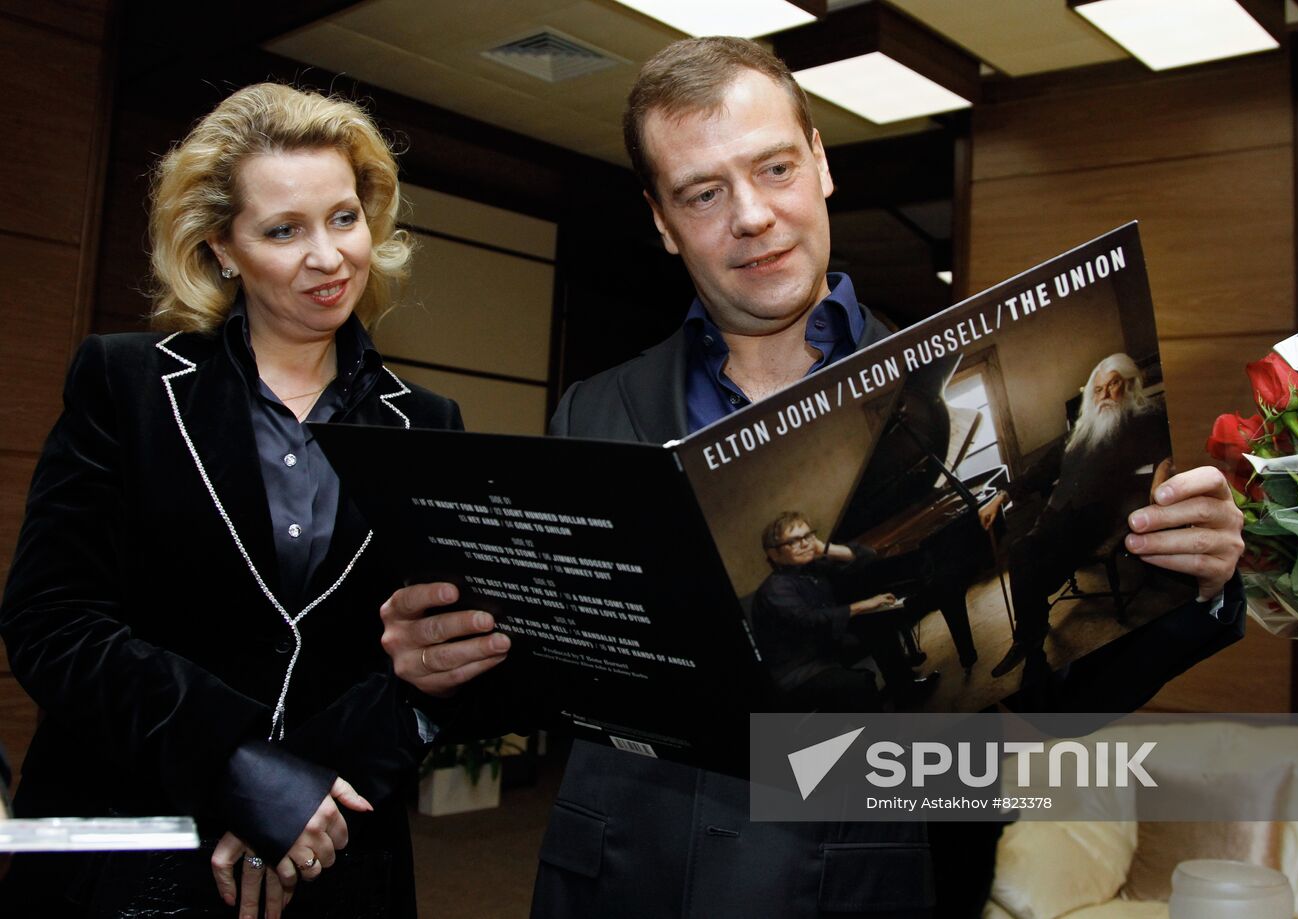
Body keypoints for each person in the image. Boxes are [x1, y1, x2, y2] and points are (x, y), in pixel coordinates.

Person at [380, 37, 1246, 917]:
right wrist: (447, 661)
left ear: (821, 165)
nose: (751, 215)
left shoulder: (924, 387)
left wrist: (1197, 588)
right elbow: (562, 670)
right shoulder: (593, 410)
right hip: (634, 867)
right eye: (704, 193)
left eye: (775, 168)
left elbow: (1059, 698)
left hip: (880, 872)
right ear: (661, 219)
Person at [0, 83, 468, 918]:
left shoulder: (428, 424)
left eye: (343, 217)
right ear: (221, 246)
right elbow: (53, 621)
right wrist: (237, 761)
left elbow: (433, 656)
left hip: (339, 847)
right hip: (131, 847)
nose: (327, 257)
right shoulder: (126, 383)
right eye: (283, 231)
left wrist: (301, 790)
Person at [991, 352, 1173, 679]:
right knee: (1022, 552)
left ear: (1129, 386)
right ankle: (1030, 639)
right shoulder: (1083, 427)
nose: (1104, 396)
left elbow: (1167, 448)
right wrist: (1002, 495)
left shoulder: (1143, 419)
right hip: (1057, 517)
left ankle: (1031, 649)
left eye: (1113, 386)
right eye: (1098, 389)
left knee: (1032, 566)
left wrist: (1162, 471)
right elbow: (1043, 469)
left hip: (1098, 517)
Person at [751, 511, 901, 711]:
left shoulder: (812, 568)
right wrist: (863, 605)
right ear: (773, 553)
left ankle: (904, 691)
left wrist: (824, 547)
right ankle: (878, 737)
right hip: (800, 670)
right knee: (858, 684)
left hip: (826, 648)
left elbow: (867, 556)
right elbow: (810, 620)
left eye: (807, 536)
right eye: (795, 541)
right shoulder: (775, 588)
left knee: (881, 628)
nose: (805, 544)